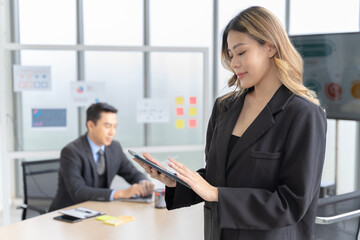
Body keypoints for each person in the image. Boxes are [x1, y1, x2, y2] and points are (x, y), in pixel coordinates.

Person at [133, 6, 327, 240]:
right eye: (230, 55)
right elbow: (215, 178)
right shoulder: (224, 107)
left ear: (270, 47)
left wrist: (217, 194)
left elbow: (291, 203)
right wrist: (176, 182)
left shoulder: (303, 114)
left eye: (241, 52)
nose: (234, 63)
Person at [49, 102, 154, 211]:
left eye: (115, 126)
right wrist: (121, 193)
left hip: (98, 210)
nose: (112, 132)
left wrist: (144, 183)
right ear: (90, 125)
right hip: (68, 213)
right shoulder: (71, 151)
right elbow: (78, 191)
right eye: (107, 126)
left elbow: (132, 173)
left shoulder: (115, 147)